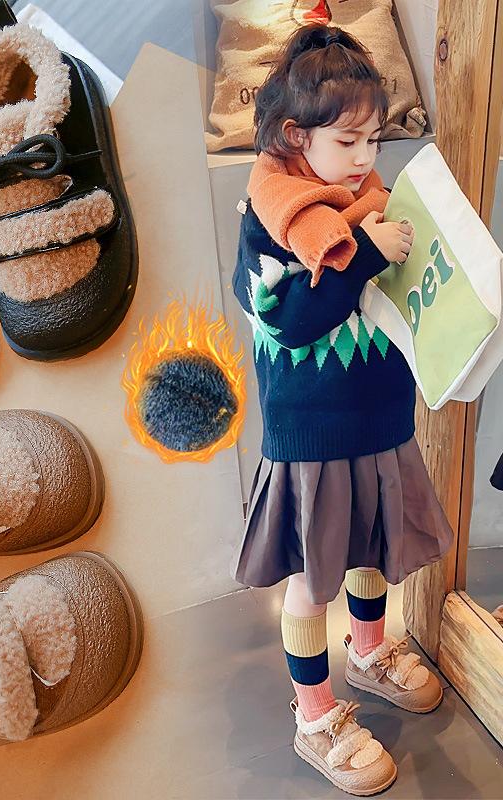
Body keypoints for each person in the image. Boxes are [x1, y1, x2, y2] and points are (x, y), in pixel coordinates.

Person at [231, 23, 454, 796]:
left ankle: (367, 652)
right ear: (296, 136)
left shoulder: (369, 200)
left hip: (378, 415)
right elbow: (288, 320)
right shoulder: (269, 219)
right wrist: (365, 254)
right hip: (314, 432)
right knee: (310, 580)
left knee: (369, 551)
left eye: (374, 139)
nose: (366, 158)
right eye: (349, 141)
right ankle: (316, 716)